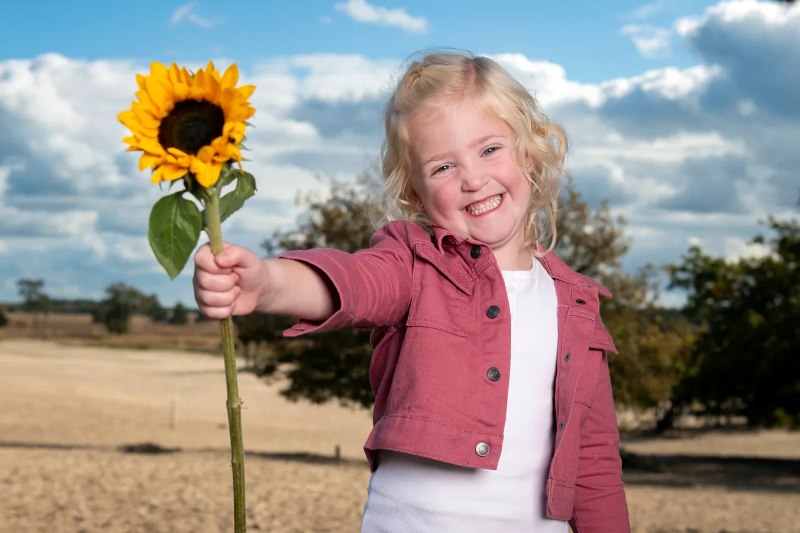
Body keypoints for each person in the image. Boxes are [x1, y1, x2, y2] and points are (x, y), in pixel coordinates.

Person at [193, 52, 630, 532]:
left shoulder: (578, 307)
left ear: (529, 151)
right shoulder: (414, 262)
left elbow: (595, 466)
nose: (472, 178)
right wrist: (269, 283)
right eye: (443, 167)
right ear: (416, 193)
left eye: (490, 150)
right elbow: (357, 283)